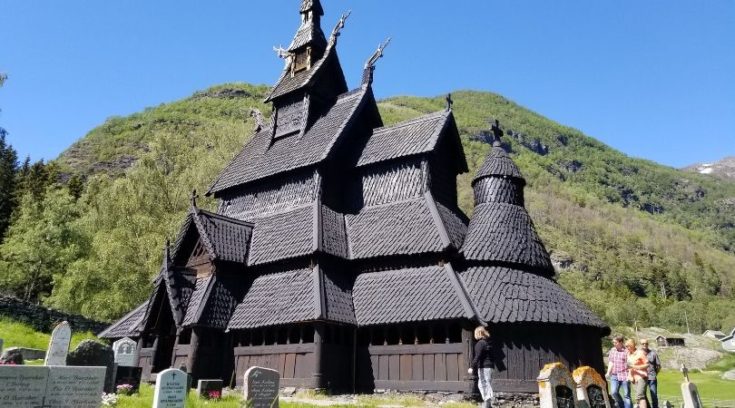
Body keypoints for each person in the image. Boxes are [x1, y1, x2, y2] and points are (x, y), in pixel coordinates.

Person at [468, 326, 494, 408]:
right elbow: (493, 356)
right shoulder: (487, 342)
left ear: (478, 333)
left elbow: (477, 356)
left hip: (483, 367)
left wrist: (472, 367)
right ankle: (488, 404)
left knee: (482, 384)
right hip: (489, 366)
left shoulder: (480, 344)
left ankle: (486, 403)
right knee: (487, 383)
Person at [606, 335, 632, 408]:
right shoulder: (612, 350)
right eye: (613, 342)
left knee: (626, 395)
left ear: (621, 342)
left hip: (624, 375)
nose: (614, 344)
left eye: (615, 342)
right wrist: (608, 372)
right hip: (614, 375)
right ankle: (621, 405)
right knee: (613, 392)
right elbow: (611, 362)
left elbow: (630, 365)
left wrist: (629, 375)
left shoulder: (627, 351)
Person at [626, 339, 650, 408]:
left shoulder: (640, 353)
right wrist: (630, 376)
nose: (627, 348)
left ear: (632, 345)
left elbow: (647, 364)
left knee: (640, 395)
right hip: (633, 378)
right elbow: (629, 366)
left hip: (641, 377)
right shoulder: (628, 354)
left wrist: (636, 367)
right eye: (626, 346)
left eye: (628, 346)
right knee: (641, 396)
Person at [640, 339, 661, 408]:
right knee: (642, 395)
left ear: (648, 344)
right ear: (641, 345)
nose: (644, 345)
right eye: (643, 344)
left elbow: (658, 366)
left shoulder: (653, 353)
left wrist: (655, 373)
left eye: (646, 343)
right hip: (642, 377)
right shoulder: (638, 354)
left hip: (652, 377)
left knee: (654, 395)